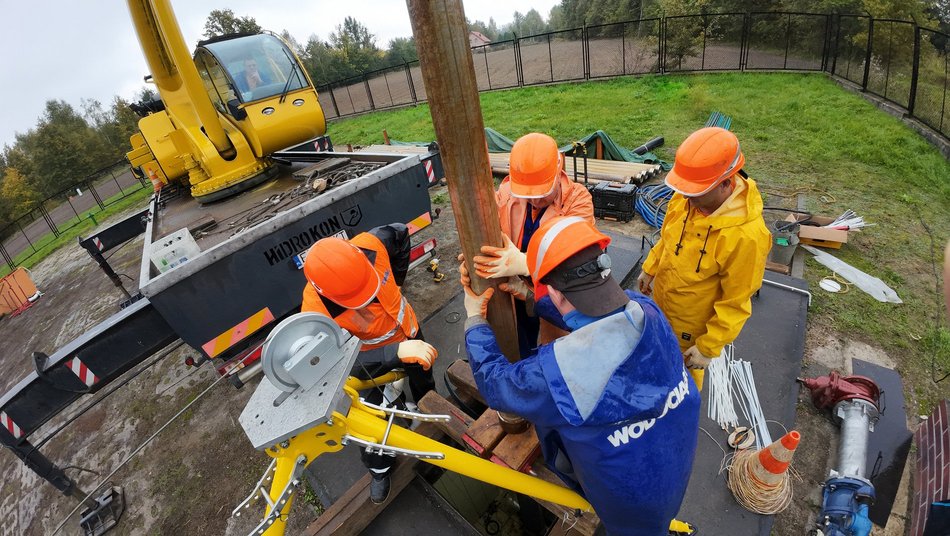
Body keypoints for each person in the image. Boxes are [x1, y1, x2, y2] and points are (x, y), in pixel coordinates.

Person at [461, 216, 700, 536]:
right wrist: (532, 297)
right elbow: (596, 316)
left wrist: (475, 319)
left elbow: (495, 383)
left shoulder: (561, 375)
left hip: (625, 503)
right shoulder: (647, 310)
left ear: (555, 295)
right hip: (674, 465)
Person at [301, 223, 437, 504]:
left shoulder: (371, 245)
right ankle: (380, 470)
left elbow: (399, 234)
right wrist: (394, 353)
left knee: (424, 379)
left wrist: (397, 283)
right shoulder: (315, 312)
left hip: (409, 331)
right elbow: (330, 367)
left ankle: (430, 413)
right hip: (370, 361)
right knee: (369, 421)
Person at [637, 127, 771, 390]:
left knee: (682, 387)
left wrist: (708, 348)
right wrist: (650, 268)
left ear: (725, 183)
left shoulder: (746, 236)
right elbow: (668, 237)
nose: (686, 196)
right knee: (656, 359)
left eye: (695, 192)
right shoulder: (687, 197)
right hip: (663, 303)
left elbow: (735, 302)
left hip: (692, 327)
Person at [472, 132, 594, 356]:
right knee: (520, 344)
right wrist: (472, 259)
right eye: (529, 195)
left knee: (555, 347)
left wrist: (526, 263)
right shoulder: (509, 193)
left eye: (543, 193)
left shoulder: (579, 201)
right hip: (512, 293)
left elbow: (576, 259)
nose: (535, 201)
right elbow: (488, 231)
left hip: (555, 295)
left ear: (559, 171)